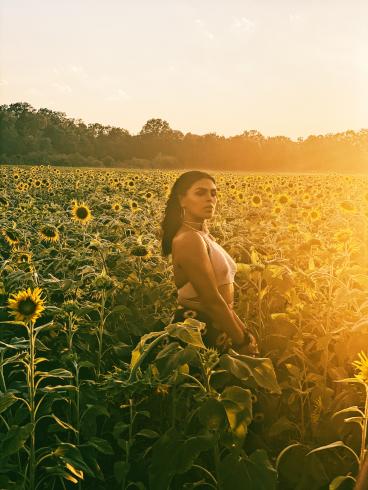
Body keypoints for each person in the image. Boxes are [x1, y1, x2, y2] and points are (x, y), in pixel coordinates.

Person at [161, 170, 259, 356]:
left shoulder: (202, 236)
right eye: (200, 193)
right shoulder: (188, 239)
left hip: (218, 324)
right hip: (198, 330)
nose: (210, 199)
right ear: (182, 200)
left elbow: (223, 302)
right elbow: (211, 300)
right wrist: (241, 341)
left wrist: (244, 333)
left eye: (213, 193)